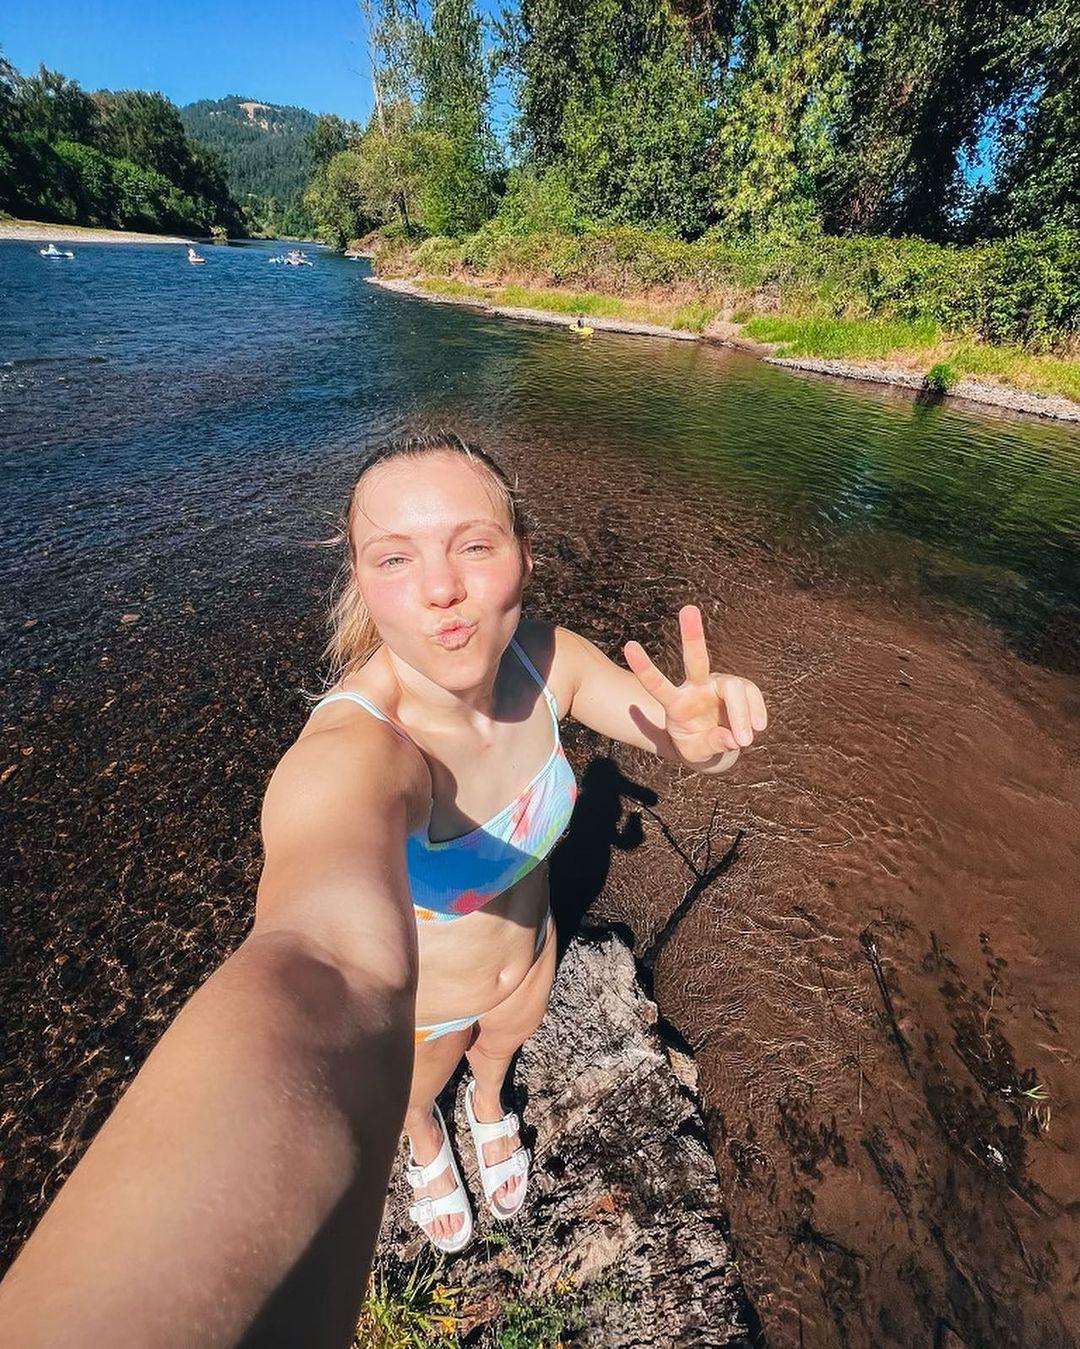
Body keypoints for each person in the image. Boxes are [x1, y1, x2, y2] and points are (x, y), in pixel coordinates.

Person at [0, 432, 766, 1340]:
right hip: (420, 1017)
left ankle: (486, 1114)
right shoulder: (358, 749)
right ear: (362, 580)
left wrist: (702, 739)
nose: (441, 588)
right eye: (395, 558)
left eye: (473, 545)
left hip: (529, 962)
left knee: (498, 1061)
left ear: (524, 553)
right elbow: (322, 953)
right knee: (420, 1089)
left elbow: (670, 736)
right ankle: (425, 1142)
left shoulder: (546, 660)